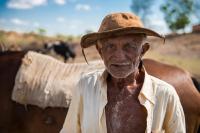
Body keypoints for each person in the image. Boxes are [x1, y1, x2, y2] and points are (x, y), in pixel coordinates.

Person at [60, 12, 185, 133]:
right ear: (100, 51)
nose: (119, 57)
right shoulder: (85, 86)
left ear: (143, 50)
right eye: (110, 46)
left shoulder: (165, 94)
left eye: (130, 46)